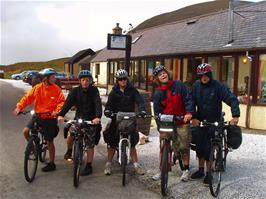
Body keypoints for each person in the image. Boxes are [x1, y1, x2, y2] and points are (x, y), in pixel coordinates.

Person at [190, 63, 240, 185]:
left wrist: (235, 115)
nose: (204, 77)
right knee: (199, 145)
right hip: (201, 120)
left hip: (215, 120)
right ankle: (201, 170)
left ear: (210, 74)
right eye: (201, 75)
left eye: (206, 74)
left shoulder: (218, 86)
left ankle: (209, 173)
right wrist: (193, 117)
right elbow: (191, 101)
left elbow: (231, 98)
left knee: (208, 146)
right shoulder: (196, 86)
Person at [13, 68, 65, 172]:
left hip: (49, 118)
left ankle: (51, 163)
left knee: (50, 141)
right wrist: (19, 107)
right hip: (38, 115)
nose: (55, 79)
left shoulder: (56, 89)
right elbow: (27, 97)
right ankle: (32, 147)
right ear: (45, 78)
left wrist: (57, 111)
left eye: (54, 77)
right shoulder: (37, 88)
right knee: (26, 131)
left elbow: (61, 102)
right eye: (53, 77)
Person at [152, 65, 193, 182]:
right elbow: (157, 112)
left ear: (168, 73)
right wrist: (160, 128)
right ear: (157, 79)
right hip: (167, 123)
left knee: (184, 146)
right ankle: (162, 169)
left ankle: (186, 170)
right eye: (160, 75)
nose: (163, 75)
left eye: (164, 73)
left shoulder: (179, 85)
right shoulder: (158, 93)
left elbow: (188, 99)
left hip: (181, 120)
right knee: (163, 145)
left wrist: (189, 112)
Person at [57, 70, 102, 176]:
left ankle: (89, 165)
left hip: (90, 120)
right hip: (78, 119)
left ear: (90, 81)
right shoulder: (75, 91)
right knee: (71, 133)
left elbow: (97, 103)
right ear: (80, 81)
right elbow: (68, 103)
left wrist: (97, 117)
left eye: (87, 80)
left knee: (90, 144)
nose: (85, 82)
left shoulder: (94, 91)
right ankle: (69, 150)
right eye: (83, 80)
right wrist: (61, 114)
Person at [103, 69, 146, 175]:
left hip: (130, 119)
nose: (123, 81)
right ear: (117, 81)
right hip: (116, 119)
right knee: (112, 142)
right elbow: (109, 105)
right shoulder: (114, 92)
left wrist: (142, 110)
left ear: (127, 79)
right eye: (120, 79)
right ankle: (108, 164)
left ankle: (136, 165)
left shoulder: (132, 90)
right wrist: (108, 111)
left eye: (124, 79)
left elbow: (140, 101)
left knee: (132, 143)